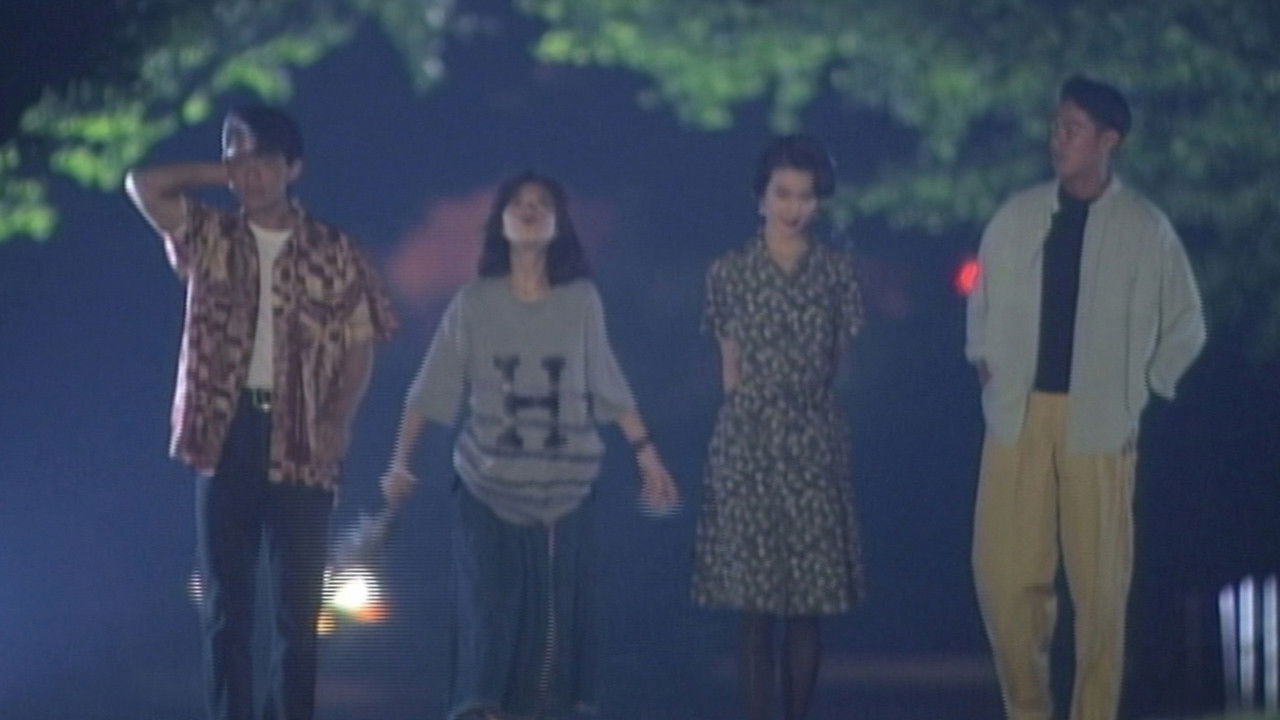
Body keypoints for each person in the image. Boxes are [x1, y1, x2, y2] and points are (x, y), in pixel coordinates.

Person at [124, 104, 397, 720]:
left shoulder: (336, 249)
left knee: (299, 609)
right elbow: (143, 184)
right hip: (226, 431)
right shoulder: (210, 234)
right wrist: (221, 171)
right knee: (227, 603)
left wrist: (339, 420)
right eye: (236, 156)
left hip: (304, 432)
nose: (248, 171)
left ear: (293, 167)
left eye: (264, 159)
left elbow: (361, 342)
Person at [380, 170, 681, 720]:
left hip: (566, 486)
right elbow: (432, 388)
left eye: (542, 203)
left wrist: (647, 454)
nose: (529, 210)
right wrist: (401, 463)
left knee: (555, 620)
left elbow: (607, 382)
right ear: (500, 221)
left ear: (559, 223)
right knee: (489, 609)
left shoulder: (581, 301)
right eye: (518, 202)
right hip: (486, 482)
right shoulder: (474, 303)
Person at [966, 75, 1206, 720]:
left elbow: (1186, 323)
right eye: (1056, 126)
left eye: (1072, 128)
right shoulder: (1018, 217)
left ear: (1108, 140)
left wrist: (1143, 387)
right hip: (1018, 415)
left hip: (1099, 420)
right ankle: (1028, 707)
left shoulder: (1144, 228)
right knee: (1003, 577)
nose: (1058, 139)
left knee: (1101, 590)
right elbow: (981, 304)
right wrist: (986, 363)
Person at [691, 134, 865, 720]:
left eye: (806, 196)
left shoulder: (837, 272)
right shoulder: (729, 272)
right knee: (755, 606)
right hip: (749, 439)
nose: (794, 207)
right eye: (783, 194)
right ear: (761, 197)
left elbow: (839, 360)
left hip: (814, 436)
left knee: (808, 604)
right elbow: (729, 369)